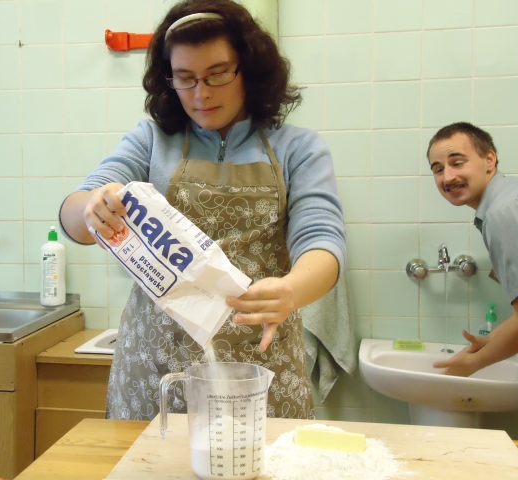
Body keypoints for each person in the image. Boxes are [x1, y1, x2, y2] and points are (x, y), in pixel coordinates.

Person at [59, 0, 346, 420]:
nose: (201, 93)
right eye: (185, 78)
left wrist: (292, 290)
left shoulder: (298, 148)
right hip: (157, 368)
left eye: (217, 74)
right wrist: (92, 207)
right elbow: (76, 211)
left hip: (261, 367)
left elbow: (321, 239)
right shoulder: (151, 141)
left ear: (249, 69)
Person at [427, 121, 518, 377]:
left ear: (489, 160)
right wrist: (491, 342)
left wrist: (473, 364)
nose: (448, 177)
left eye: (457, 163)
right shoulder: (511, 195)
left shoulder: (503, 212)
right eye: (438, 169)